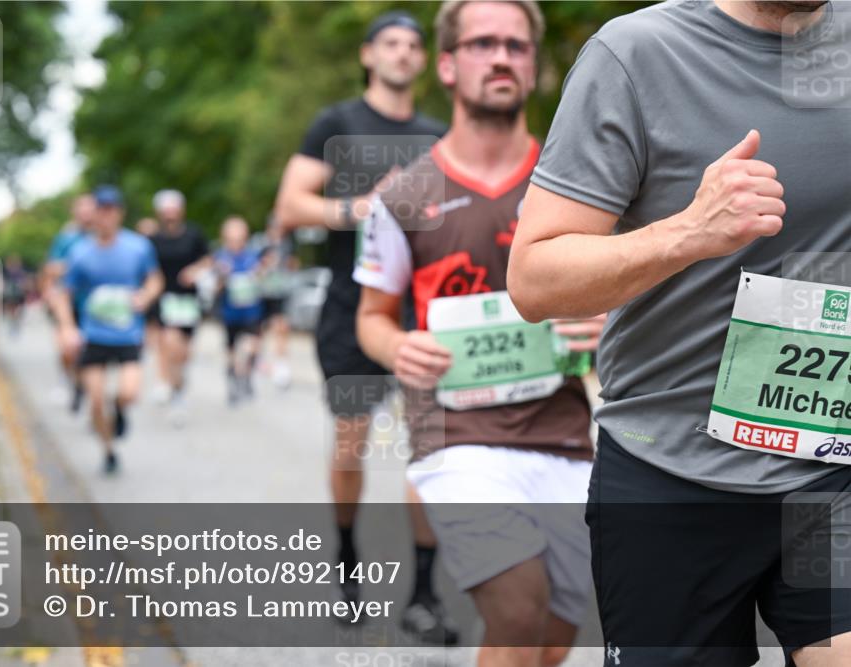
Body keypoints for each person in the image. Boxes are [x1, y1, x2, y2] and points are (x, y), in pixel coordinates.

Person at [507, 1, 851, 665]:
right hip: (668, 473)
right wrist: (689, 231)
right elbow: (533, 278)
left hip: (827, 467)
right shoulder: (634, 55)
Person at [355, 3, 605, 664]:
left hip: (564, 435)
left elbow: (622, 290)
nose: (501, 57)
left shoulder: (581, 184)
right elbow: (372, 317)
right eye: (483, 43)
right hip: (455, 435)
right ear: (446, 64)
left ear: (535, 67)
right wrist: (396, 346)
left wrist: (605, 319)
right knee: (518, 608)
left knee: (551, 633)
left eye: (517, 46)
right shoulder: (403, 195)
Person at [274, 11, 457, 641]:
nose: (404, 54)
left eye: (414, 45)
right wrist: (362, 206)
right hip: (352, 309)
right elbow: (289, 205)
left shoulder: (442, 134)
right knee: (352, 442)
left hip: (424, 310)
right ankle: (348, 564)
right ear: (368, 55)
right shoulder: (337, 123)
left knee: (428, 447)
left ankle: (425, 594)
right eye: (392, 44)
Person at [55, 186, 163, 474]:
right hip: (94, 336)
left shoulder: (138, 247)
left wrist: (145, 296)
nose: (106, 216)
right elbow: (63, 292)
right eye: (101, 210)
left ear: (119, 213)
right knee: (96, 401)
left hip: (128, 334)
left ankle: (121, 409)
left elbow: (155, 280)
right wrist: (67, 327)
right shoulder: (79, 252)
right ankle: (108, 451)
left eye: (111, 210)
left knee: (129, 393)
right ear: (94, 215)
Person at [147, 189, 212, 415]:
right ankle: (163, 380)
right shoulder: (153, 239)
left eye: (174, 210)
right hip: (164, 298)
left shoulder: (193, 235)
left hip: (187, 300)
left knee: (183, 352)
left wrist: (195, 269)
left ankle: (178, 386)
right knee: (167, 340)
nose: (170, 215)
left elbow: (207, 259)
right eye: (166, 211)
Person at [44, 193, 95, 411]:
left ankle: (86, 388)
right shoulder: (66, 238)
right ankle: (72, 381)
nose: (85, 213)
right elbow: (51, 268)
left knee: (91, 350)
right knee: (67, 349)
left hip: (93, 305)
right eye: (81, 208)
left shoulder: (103, 236)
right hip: (68, 301)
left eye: (89, 208)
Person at [213, 216, 264, 406]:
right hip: (230, 313)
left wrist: (259, 273)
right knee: (232, 350)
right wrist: (221, 277)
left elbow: (264, 281)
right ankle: (233, 379)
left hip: (251, 311)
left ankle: (246, 376)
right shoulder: (220, 257)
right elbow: (214, 287)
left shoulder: (253, 255)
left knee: (252, 346)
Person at [257, 215, 298, 389]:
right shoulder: (260, 243)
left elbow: (292, 265)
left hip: (280, 291)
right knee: (259, 329)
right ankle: (259, 361)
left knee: (281, 326)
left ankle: (281, 364)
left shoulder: (287, 245)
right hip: (263, 292)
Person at [2, 254, 30, 336]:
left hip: (18, 294)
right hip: (10, 294)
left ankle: (16, 322)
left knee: (18, 310)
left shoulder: (21, 272)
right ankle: (13, 323)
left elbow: (25, 282)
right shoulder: (6, 273)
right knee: (11, 309)